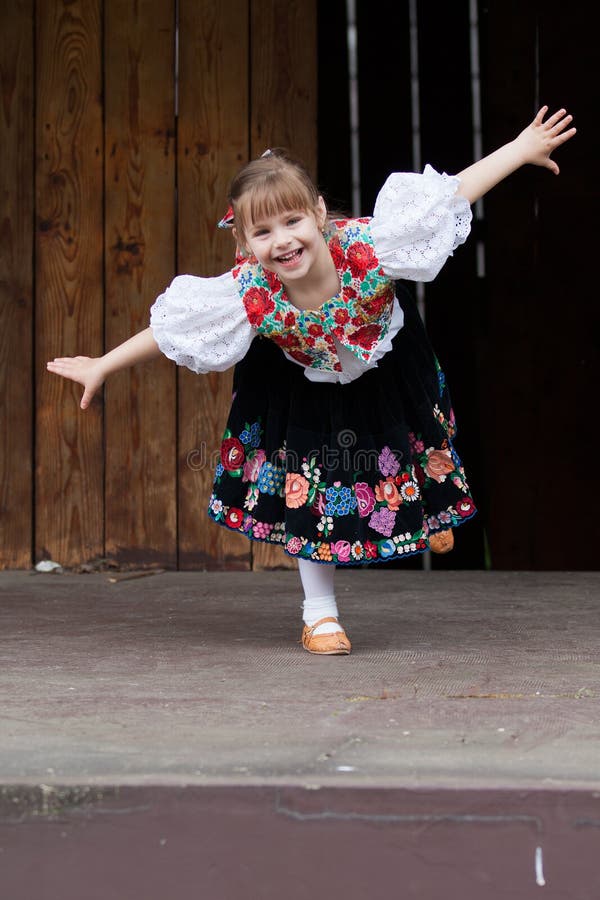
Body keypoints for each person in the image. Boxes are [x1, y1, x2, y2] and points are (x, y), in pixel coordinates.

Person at [47, 105, 576, 656]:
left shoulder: (372, 245)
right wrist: (102, 364)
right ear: (243, 243)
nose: (282, 240)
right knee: (312, 484)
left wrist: (519, 149)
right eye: (262, 231)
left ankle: (426, 508)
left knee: (419, 438)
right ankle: (319, 616)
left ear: (319, 214)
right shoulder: (248, 288)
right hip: (305, 382)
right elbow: (172, 329)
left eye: (293, 221)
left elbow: (453, 195)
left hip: (388, 361)